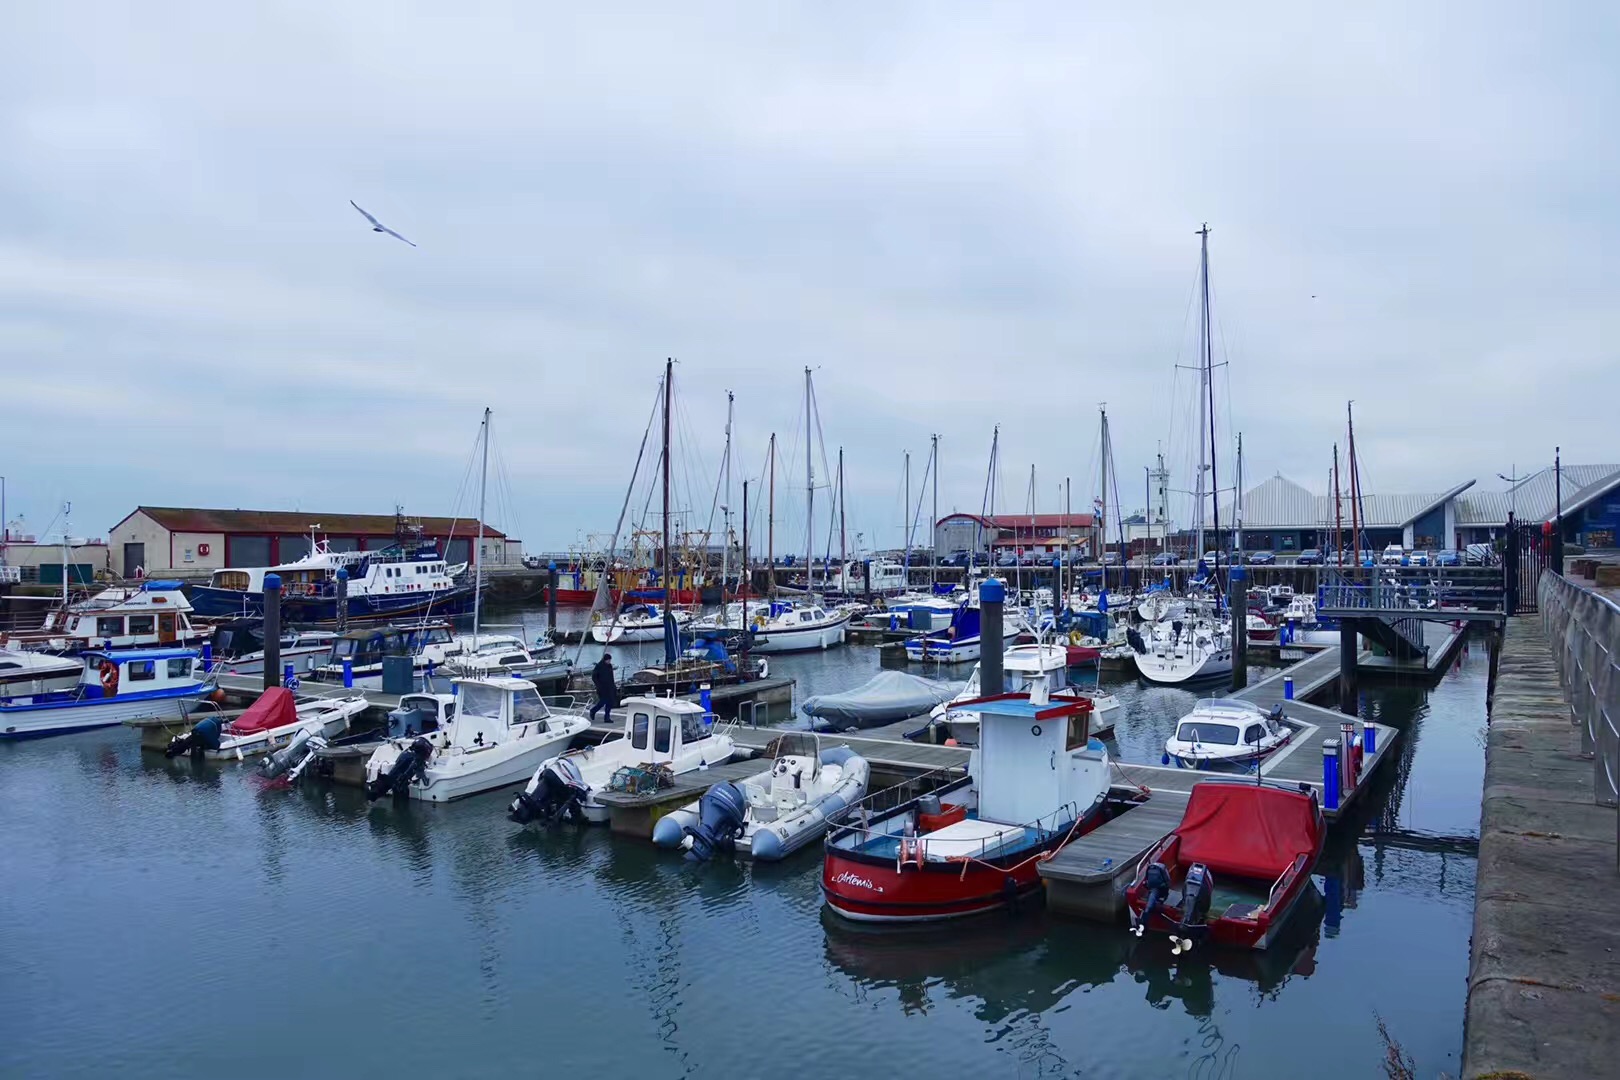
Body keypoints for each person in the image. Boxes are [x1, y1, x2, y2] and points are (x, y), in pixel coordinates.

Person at [589, 654, 618, 723]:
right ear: (605, 660)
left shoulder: (609, 666)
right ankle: (593, 710)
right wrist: (598, 685)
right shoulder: (599, 666)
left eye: (610, 660)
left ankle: (607, 718)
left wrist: (613, 686)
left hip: (610, 687)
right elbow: (594, 677)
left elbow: (611, 677)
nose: (609, 661)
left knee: (610, 703)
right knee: (603, 702)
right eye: (608, 660)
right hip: (602, 688)